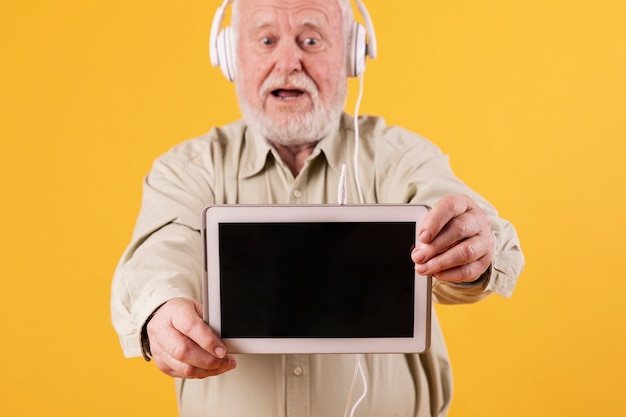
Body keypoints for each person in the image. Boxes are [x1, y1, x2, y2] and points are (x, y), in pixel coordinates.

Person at [110, 0, 524, 416]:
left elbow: (476, 234)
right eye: (267, 39)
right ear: (231, 56)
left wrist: (472, 243)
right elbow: (159, 253)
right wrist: (161, 310)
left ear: (350, 53)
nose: (288, 61)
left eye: (310, 39)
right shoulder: (187, 170)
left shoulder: (400, 158)